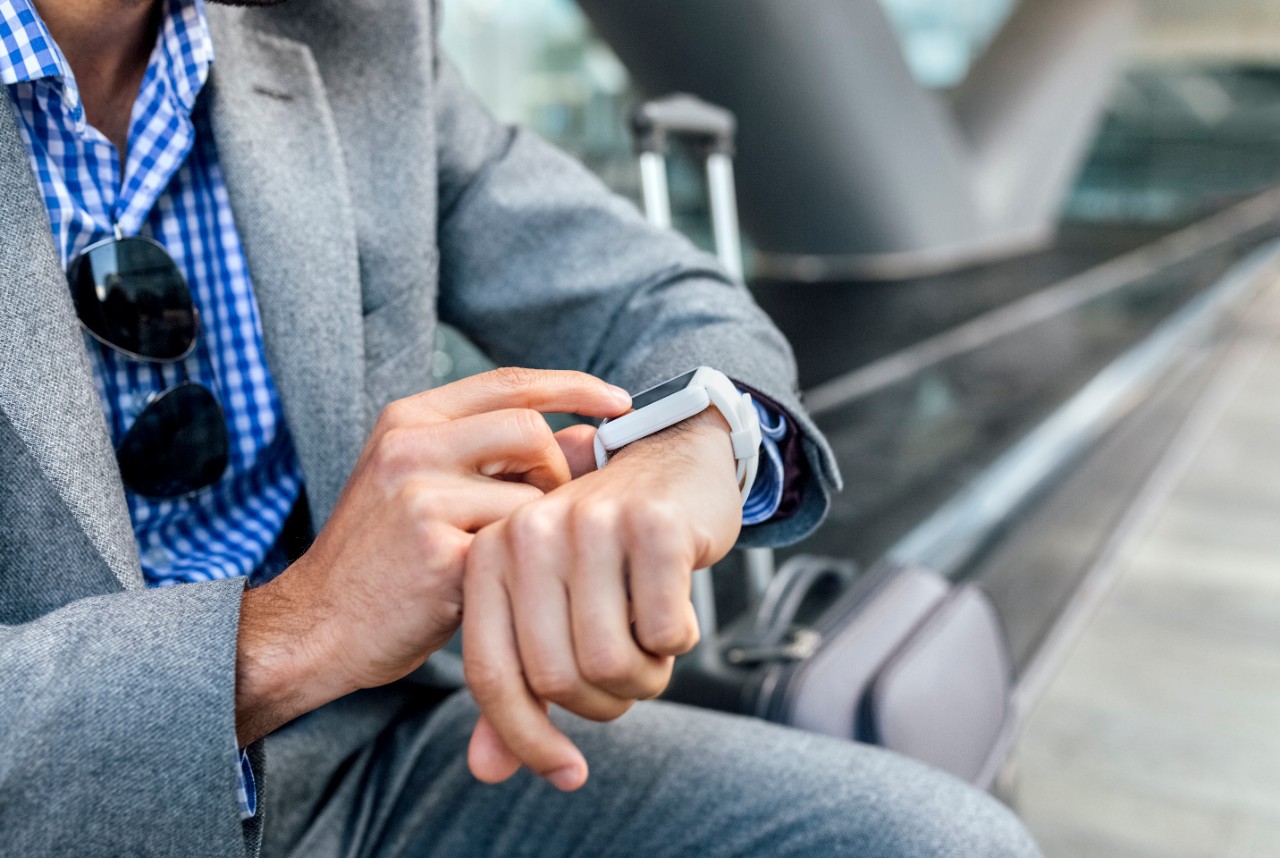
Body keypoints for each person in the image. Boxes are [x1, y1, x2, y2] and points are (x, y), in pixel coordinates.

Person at [0, 0, 1044, 855]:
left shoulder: (350, 34)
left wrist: (687, 448)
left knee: (941, 844)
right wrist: (292, 635)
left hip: (373, 771)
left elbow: (654, 292)